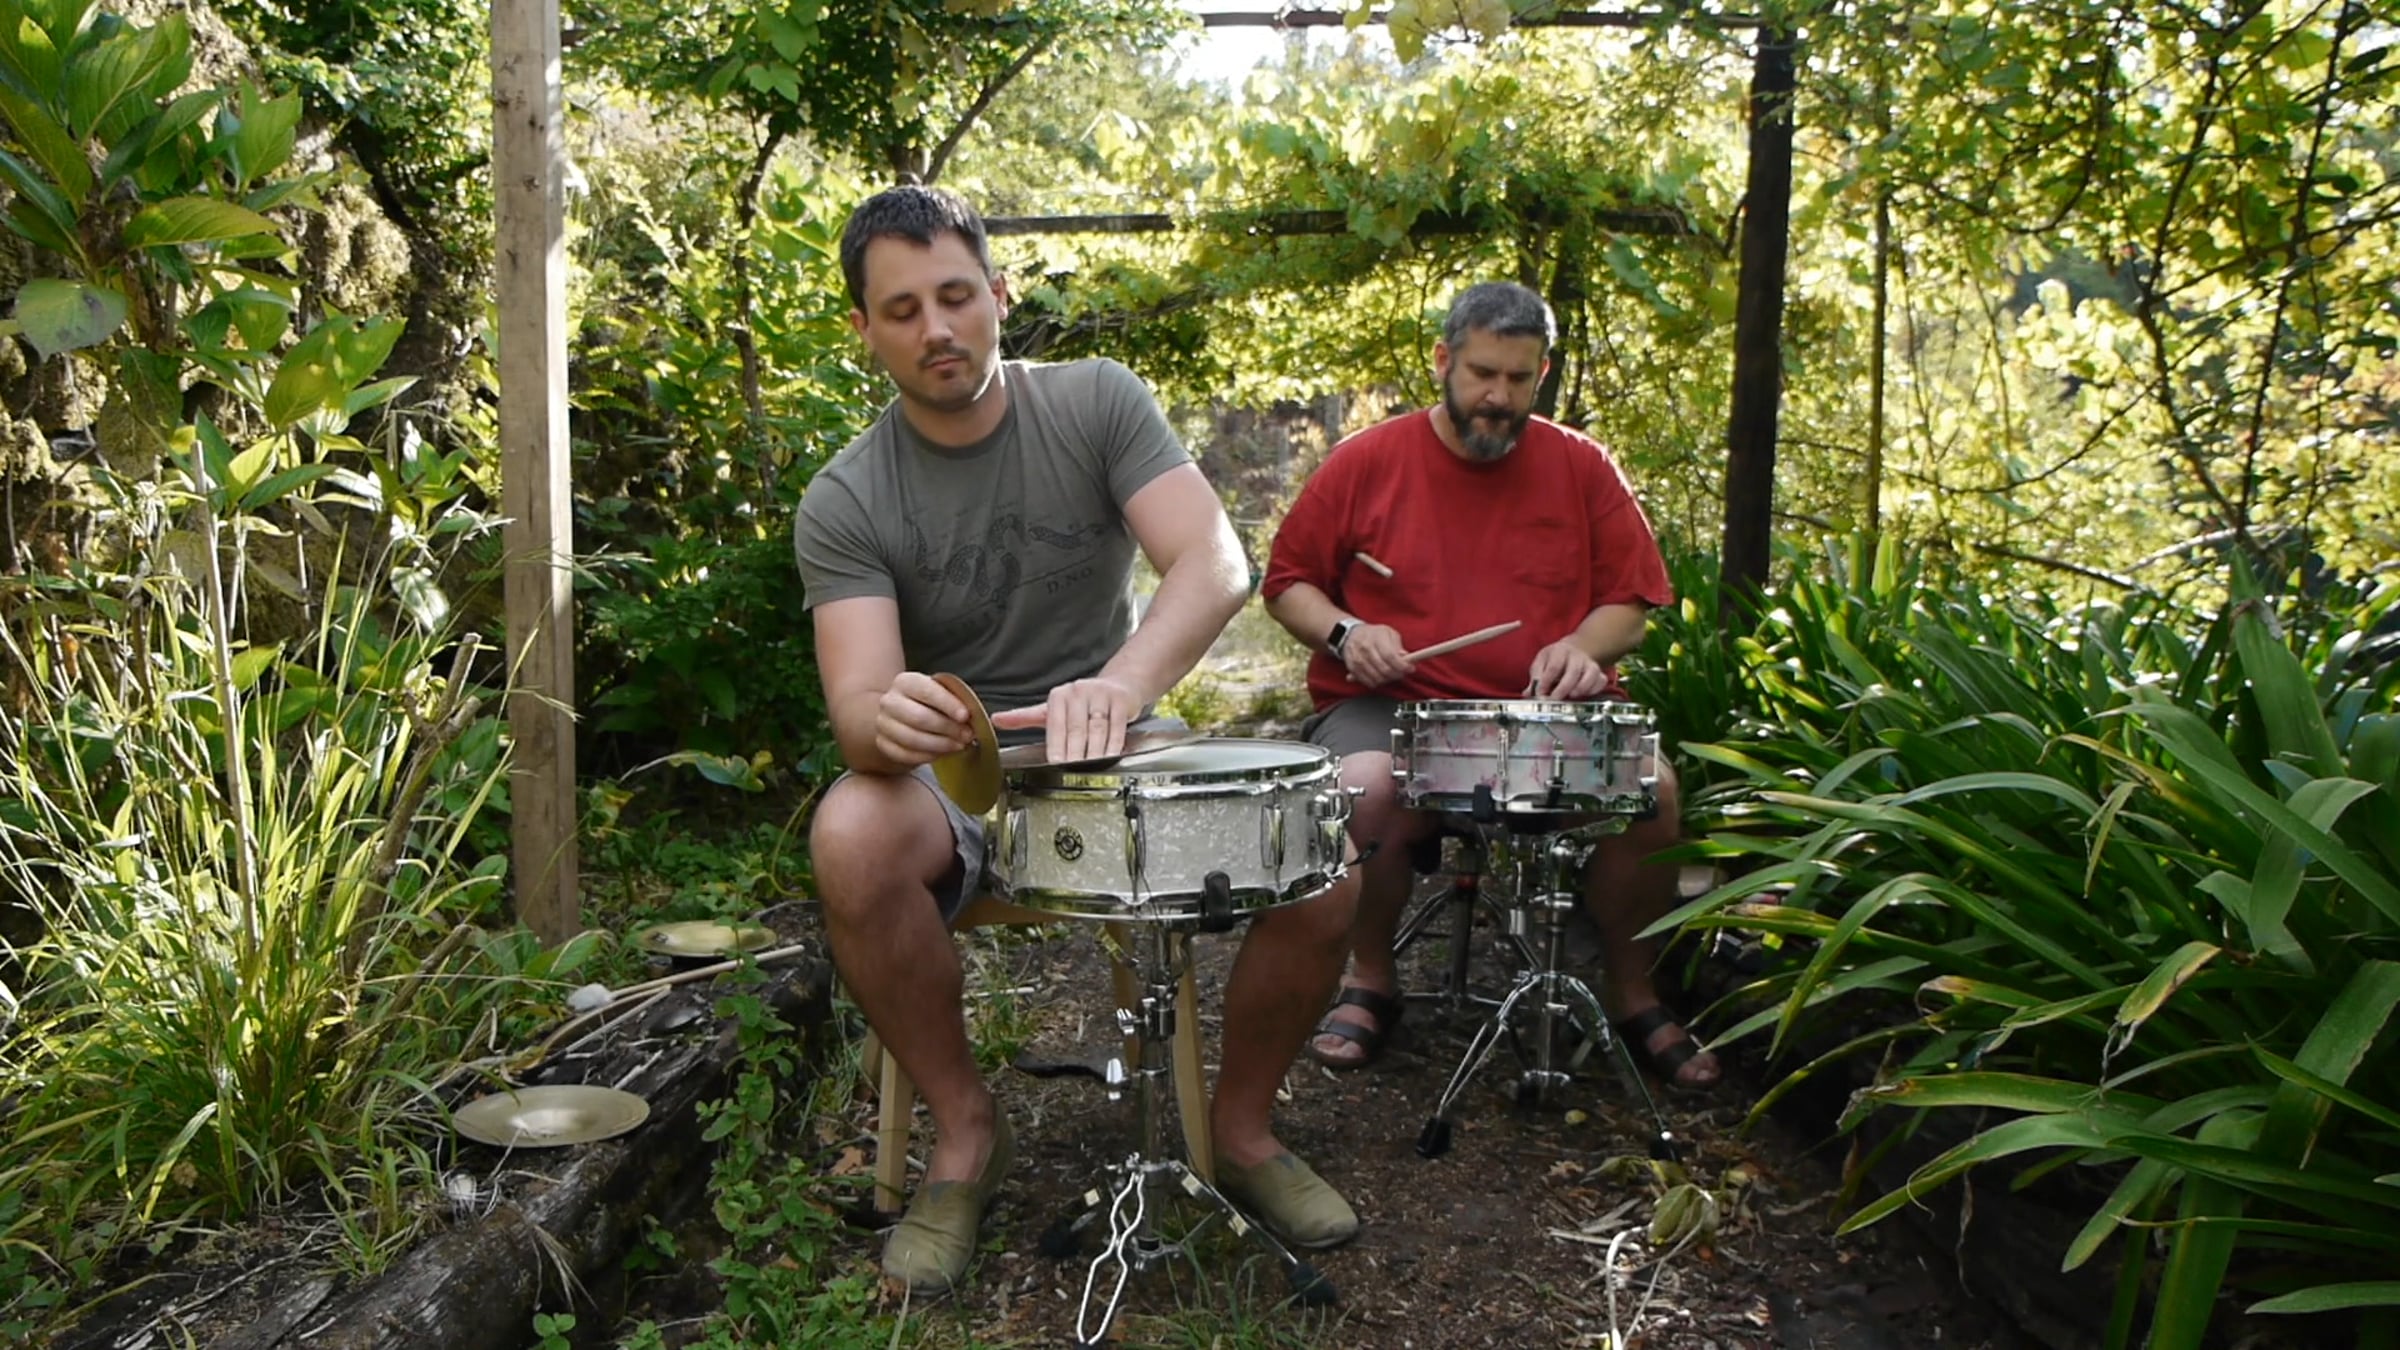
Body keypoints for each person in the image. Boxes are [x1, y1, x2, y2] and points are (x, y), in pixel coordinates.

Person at [793, 185, 1362, 1296]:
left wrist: (1122, 683)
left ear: (1000, 294)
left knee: (1321, 855)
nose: (937, 328)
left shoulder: (1097, 401)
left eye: (956, 295)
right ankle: (967, 1133)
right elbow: (858, 708)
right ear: (863, 329)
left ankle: (1242, 1130)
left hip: (1122, 739)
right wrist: (891, 720)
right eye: (902, 310)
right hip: (962, 773)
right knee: (851, 832)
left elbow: (1214, 561)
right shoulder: (847, 496)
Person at [1259, 281, 1722, 1090]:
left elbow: (1631, 605)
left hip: (1547, 708)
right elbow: (1287, 584)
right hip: (1390, 705)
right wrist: (1348, 634)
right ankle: (1371, 980)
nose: (1498, 397)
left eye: (1517, 378)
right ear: (1443, 361)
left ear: (1540, 375)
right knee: (1367, 786)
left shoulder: (1582, 466)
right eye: (1482, 374)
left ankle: (1634, 992)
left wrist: (1581, 647)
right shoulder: (1367, 460)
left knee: (1652, 789)